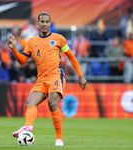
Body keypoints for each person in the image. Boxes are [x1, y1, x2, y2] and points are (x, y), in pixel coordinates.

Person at [7, 12, 87, 146]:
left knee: (52, 103)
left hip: (56, 75)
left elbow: (71, 57)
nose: (44, 24)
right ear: (38, 23)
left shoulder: (58, 39)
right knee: (30, 102)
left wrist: (80, 75)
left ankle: (59, 139)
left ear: (50, 23)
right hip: (41, 79)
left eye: (46, 21)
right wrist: (14, 48)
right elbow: (22, 61)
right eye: (42, 21)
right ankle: (27, 127)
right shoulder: (31, 42)